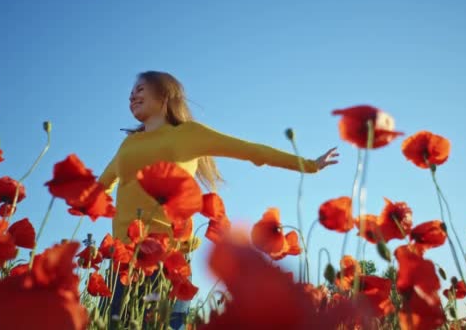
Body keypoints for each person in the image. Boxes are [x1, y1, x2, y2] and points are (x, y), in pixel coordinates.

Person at [97, 70, 339, 329]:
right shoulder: (127, 145)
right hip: (123, 260)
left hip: (168, 260)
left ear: (165, 94)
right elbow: (100, 189)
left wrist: (309, 164)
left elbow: (251, 151)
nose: (132, 95)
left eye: (140, 89)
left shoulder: (188, 134)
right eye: (131, 91)